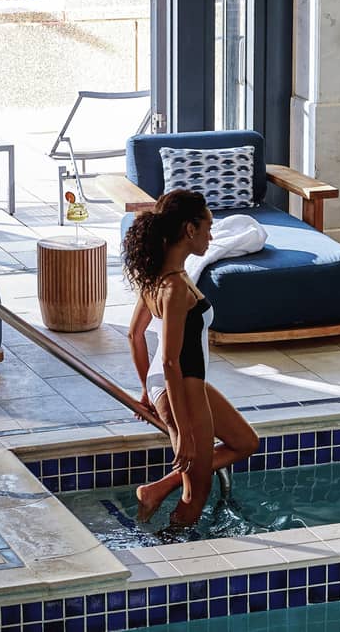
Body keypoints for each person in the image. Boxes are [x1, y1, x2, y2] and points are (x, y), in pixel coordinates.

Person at [123, 189, 259, 526]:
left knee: (245, 441)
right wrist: (182, 431)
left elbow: (135, 336)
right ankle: (172, 557)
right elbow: (170, 360)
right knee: (196, 494)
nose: (211, 236)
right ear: (189, 229)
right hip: (181, 386)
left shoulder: (161, 277)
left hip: (180, 384)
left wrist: (146, 389)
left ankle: (155, 491)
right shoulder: (174, 288)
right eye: (208, 227)